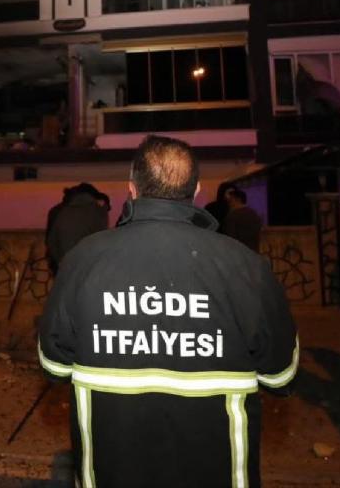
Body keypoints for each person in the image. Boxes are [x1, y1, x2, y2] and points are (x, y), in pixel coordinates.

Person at [39, 135, 298, 488]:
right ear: (197, 190)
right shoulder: (246, 266)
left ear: (132, 188)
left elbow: (54, 364)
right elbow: (281, 375)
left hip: (112, 471)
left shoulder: (82, 259)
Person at [46, 183, 109, 276]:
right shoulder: (96, 211)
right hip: (84, 267)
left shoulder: (60, 210)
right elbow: (101, 240)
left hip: (62, 267)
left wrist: (60, 261)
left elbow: (51, 241)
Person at [222, 188, 263, 252]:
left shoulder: (232, 216)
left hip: (238, 252)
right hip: (253, 252)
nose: (228, 203)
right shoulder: (254, 214)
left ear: (238, 200)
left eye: (230, 200)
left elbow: (230, 239)